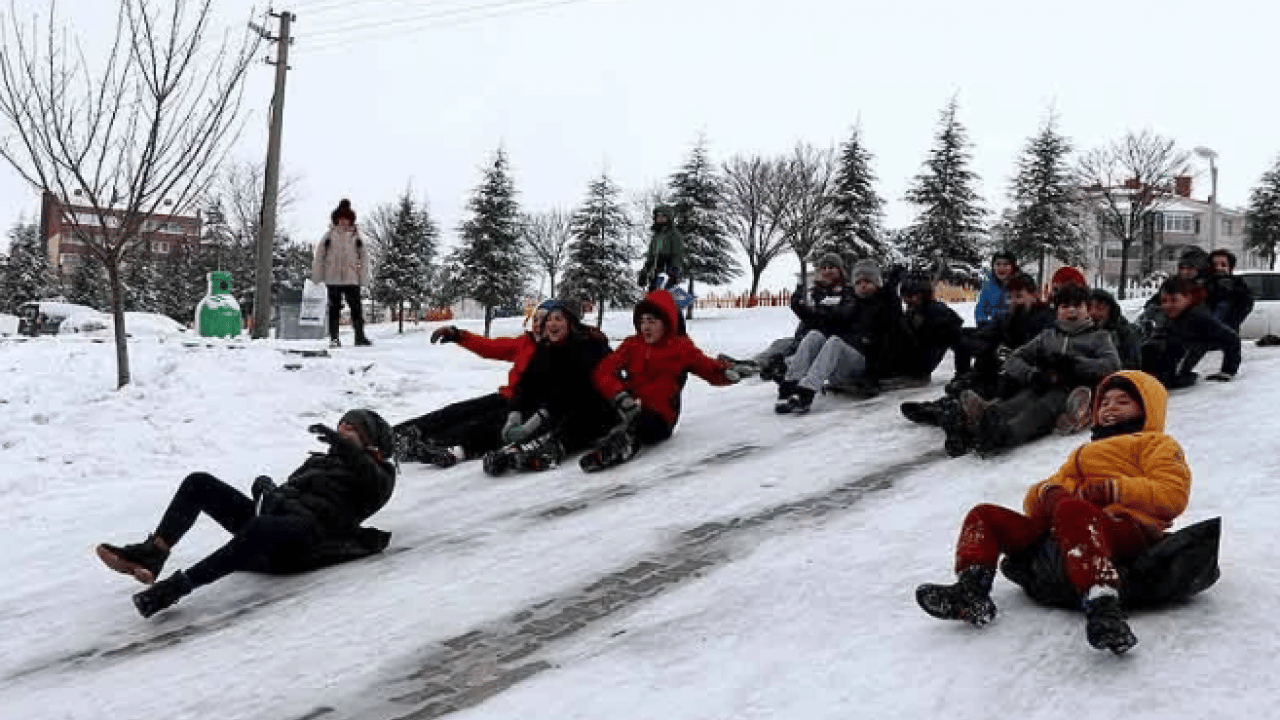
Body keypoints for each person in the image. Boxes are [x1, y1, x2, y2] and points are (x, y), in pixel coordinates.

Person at [916, 370, 1191, 654]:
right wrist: (1046, 494)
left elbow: (1172, 494)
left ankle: (1103, 605)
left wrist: (1113, 490)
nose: (1110, 408)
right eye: (1105, 402)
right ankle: (971, 590)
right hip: (1071, 526)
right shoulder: (1083, 453)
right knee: (986, 515)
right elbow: (1045, 491)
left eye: (1123, 402)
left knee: (1073, 509)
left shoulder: (1156, 444)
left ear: (1148, 409)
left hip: (1126, 526)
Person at [96, 410, 397, 618]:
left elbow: (368, 480)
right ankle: (153, 553)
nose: (342, 429)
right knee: (199, 483)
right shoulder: (317, 463)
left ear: (371, 442)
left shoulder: (380, 475)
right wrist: (266, 490)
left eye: (352, 428)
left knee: (263, 527)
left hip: (306, 543)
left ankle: (176, 588)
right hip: (275, 529)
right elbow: (287, 495)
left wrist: (347, 450)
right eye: (341, 425)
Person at [945, 283, 1121, 457]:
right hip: (1043, 383)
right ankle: (979, 422)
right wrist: (1032, 374)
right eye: (1065, 306)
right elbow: (1014, 358)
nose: (1072, 311)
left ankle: (1006, 434)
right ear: (1057, 311)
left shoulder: (1099, 337)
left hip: (1072, 390)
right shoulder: (1047, 336)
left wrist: (1074, 363)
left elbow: (1112, 364)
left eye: (1078, 306)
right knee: (1020, 401)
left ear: (1087, 309)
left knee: (1040, 410)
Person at [581, 289, 743, 471]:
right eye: (642, 322)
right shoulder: (631, 345)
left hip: (660, 417)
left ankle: (616, 448)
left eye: (652, 321)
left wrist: (728, 373)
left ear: (666, 322)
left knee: (640, 425)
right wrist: (619, 395)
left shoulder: (681, 349)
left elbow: (708, 369)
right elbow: (604, 371)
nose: (645, 327)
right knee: (594, 410)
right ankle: (571, 439)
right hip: (629, 405)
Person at [394, 302, 553, 467]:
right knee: (457, 411)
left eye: (544, 320)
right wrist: (458, 335)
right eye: (535, 320)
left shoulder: (558, 351)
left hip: (527, 408)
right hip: (506, 397)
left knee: (478, 425)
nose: (538, 325)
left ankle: (432, 445)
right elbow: (489, 347)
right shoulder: (525, 343)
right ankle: (397, 434)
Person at [483, 301, 614, 475]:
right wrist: (515, 414)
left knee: (576, 416)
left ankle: (551, 448)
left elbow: (575, 390)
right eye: (549, 320)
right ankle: (513, 451)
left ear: (570, 323)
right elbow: (525, 385)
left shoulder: (587, 346)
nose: (552, 324)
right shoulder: (545, 350)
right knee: (527, 414)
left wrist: (539, 418)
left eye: (558, 319)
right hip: (556, 409)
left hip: (594, 409)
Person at [776, 256, 897, 412]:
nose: (863, 286)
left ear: (877, 283)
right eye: (858, 283)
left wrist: (875, 374)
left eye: (868, 281)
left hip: (865, 365)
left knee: (835, 342)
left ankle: (806, 392)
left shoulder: (883, 304)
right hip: (842, 363)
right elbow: (825, 323)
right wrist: (801, 308)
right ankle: (789, 386)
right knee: (815, 335)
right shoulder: (852, 303)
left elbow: (891, 334)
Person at [1140, 277, 1242, 387]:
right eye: (1164, 301)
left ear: (1188, 298)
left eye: (1174, 300)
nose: (1168, 305)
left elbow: (1232, 339)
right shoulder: (1170, 315)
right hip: (1166, 367)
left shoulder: (1199, 317)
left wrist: (1227, 371)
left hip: (1176, 373)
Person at [885, 271, 967, 382]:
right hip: (910, 358)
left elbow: (959, 340)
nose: (907, 300)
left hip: (920, 364)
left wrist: (962, 373)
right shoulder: (914, 311)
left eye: (910, 296)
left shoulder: (937, 311)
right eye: (904, 297)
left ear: (922, 294)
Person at [313, 199, 370, 347]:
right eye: (341, 219)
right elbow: (319, 256)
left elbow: (364, 258)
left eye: (347, 220)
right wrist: (318, 277)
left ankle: (360, 337)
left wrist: (363, 278)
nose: (344, 222)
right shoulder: (329, 236)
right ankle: (334, 338)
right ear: (336, 220)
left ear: (351, 221)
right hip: (333, 278)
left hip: (352, 278)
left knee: (356, 308)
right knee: (334, 309)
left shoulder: (357, 237)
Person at [1088, 288, 1143, 369]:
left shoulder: (1125, 333)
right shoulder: (1080, 331)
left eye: (1100, 308)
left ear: (1111, 310)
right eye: (1088, 308)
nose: (1093, 312)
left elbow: (1133, 365)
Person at [639, 205, 686, 291]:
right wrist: (644, 272)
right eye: (658, 216)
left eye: (663, 216)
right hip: (655, 271)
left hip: (668, 270)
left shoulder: (674, 234)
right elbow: (651, 255)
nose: (660, 219)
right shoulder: (656, 235)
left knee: (665, 297)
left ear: (669, 218)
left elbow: (677, 254)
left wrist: (674, 270)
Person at [1205, 249, 1254, 332]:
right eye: (1214, 265)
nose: (1218, 268)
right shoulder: (1203, 285)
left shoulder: (1238, 286)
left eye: (1223, 265)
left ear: (1230, 267)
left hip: (1227, 335)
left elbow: (1245, 307)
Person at [975, 250, 1018, 327]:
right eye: (998, 264)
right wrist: (982, 322)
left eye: (1006, 265)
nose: (1001, 268)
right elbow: (981, 308)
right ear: (993, 267)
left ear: (1013, 267)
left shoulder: (1021, 284)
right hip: (993, 328)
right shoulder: (988, 284)